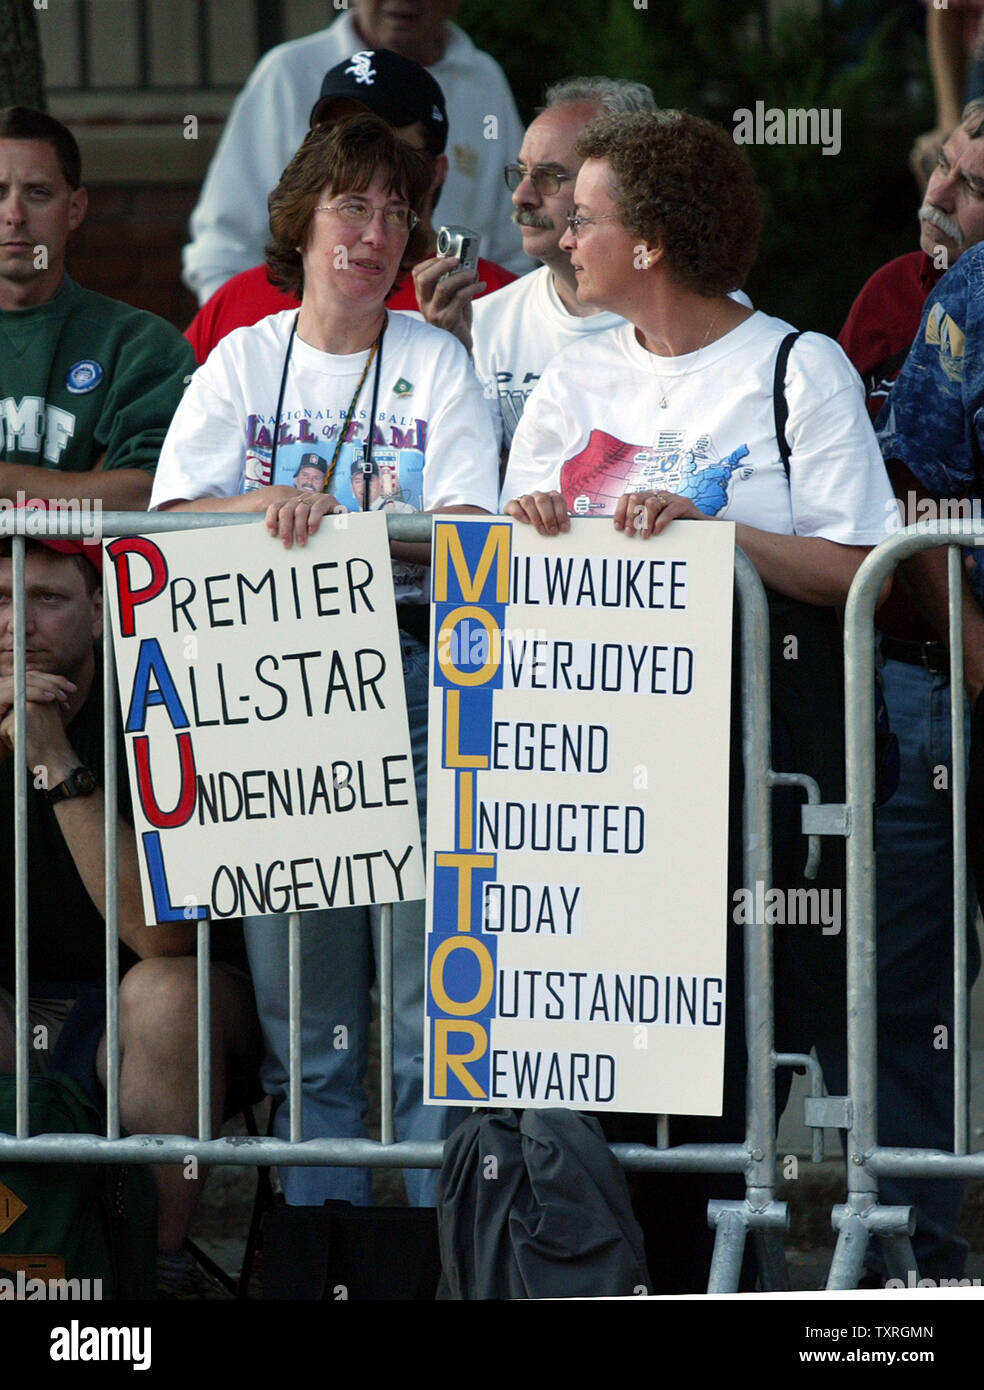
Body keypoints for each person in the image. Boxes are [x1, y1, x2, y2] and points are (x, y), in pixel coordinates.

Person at [501, 109, 895, 1290]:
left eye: (587, 215)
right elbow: (505, 557)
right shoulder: (574, 374)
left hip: (754, 776)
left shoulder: (796, 366)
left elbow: (863, 571)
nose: (563, 233)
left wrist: (718, 535)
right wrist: (522, 528)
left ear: (656, 241)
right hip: (595, 787)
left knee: (721, 1062)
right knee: (610, 1064)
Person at [152, 112, 500, 1208]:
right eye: (354, 204)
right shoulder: (241, 359)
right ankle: (324, 1254)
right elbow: (167, 526)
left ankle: (441, 1261)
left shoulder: (439, 362)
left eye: (399, 210)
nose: (378, 230)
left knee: (424, 1019)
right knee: (310, 1028)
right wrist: (259, 503)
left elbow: (469, 532)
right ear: (301, 221)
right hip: (273, 695)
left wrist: (343, 528)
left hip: (412, 681)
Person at [0, 528, 260, 1298]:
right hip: (23, 1011)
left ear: (102, 608)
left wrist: (53, 758)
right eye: (2, 600)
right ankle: (20, 1249)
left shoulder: (156, 699)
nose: (20, 624)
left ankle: (152, 1267)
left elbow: (163, 934)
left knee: (167, 992)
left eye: (48, 599)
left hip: (165, 1015)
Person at [838, 97, 984, 1283]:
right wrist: (971, 647)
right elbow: (903, 505)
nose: (939, 196)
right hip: (928, 688)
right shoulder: (902, 301)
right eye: (944, 169)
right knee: (911, 987)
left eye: (971, 186)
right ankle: (919, 1263)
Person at [184, 48, 517, 364]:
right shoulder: (239, 300)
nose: (359, 159)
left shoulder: (501, 300)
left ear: (436, 171)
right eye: (336, 140)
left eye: (387, 145)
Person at [182, 2, 528, 303]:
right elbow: (224, 241)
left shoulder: (484, 80)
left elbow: (514, 242)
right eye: (340, 143)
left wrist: (487, 321)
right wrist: (269, 336)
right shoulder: (286, 72)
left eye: (398, 151)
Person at [414, 76, 655, 452]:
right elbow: (463, 482)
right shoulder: (485, 321)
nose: (521, 196)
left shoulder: (697, 313)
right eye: (521, 173)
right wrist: (453, 356)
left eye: (549, 178)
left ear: (626, 183)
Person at [0, 108, 195, 507]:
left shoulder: (139, 345)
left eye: (37, 192)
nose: (14, 216)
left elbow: (152, 493)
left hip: (90, 572)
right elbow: (111, 500)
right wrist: (88, 483)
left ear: (75, 208)